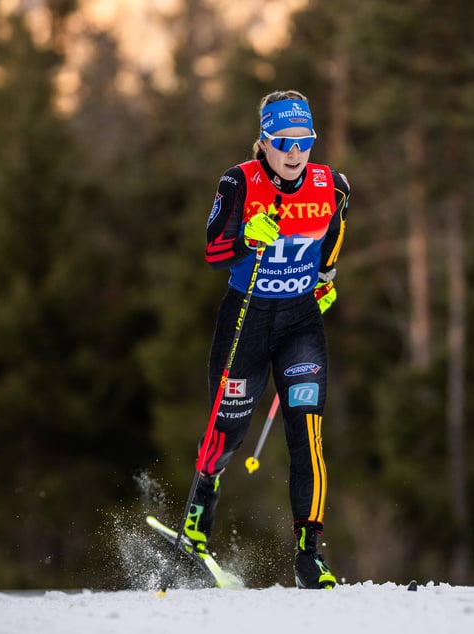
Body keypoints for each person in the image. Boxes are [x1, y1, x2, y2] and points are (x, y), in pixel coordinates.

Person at [185, 89, 349, 590]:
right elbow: (214, 251)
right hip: (247, 320)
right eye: (284, 141)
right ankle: (198, 518)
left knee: (308, 436)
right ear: (265, 142)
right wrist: (247, 239)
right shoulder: (238, 182)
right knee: (226, 430)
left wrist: (325, 284)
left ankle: (309, 555)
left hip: (300, 323)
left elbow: (332, 246)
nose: (295, 152)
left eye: (305, 140)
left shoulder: (332, 186)